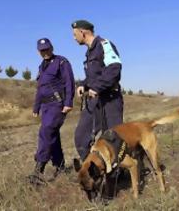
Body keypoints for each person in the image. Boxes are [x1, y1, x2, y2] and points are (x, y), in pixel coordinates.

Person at [71, 20, 124, 200]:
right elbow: (92, 77)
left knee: (113, 140)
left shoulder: (104, 45)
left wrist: (99, 87)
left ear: (83, 32)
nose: (73, 37)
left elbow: (115, 68)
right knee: (81, 138)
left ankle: (113, 179)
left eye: (74, 33)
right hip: (94, 102)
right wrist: (82, 85)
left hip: (109, 100)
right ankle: (94, 172)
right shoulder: (89, 53)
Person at [30, 38, 75, 183]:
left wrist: (68, 102)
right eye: (42, 50)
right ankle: (60, 166)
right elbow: (40, 89)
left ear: (52, 48)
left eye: (47, 49)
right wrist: (36, 107)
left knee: (46, 131)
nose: (45, 52)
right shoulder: (41, 66)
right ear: (38, 52)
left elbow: (69, 83)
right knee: (52, 135)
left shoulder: (62, 62)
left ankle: (38, 169)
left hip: (57, 104)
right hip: (45, 107)